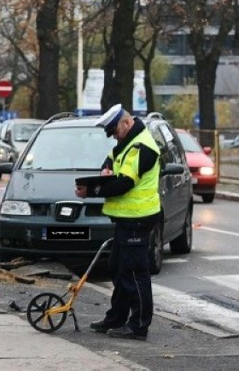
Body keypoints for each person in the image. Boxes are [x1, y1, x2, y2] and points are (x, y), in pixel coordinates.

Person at [74, 103, 160, 341]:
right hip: (126, 219)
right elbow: (109, 161)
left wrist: (91, 190)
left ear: (126, 122)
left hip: (138, 219)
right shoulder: (126, 144)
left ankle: (138, 325)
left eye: (114, 131)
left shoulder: (142, 147)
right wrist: (105, 170)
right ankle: (117, 318)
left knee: (134, 272)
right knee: (118, 268)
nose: (113, 136)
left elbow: (125, 183)